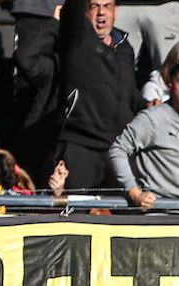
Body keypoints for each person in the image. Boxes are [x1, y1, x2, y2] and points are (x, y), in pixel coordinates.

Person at [55, 0, 146, 191]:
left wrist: (147, 106)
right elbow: (72, 12)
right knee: (76, 214)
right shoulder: (77, 39)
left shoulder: (124, 46)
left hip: (119, 147)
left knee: (129, 214)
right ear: (85, 12)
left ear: (115, 11)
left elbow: (130, 93)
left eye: (107, 6)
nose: (101, 13)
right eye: (95, 6)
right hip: (81, 146)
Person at [109, 60, 179, 208]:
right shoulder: (151, 119)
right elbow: (117, 149)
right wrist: (135, 193)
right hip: (158, 212)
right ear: (171, 87)